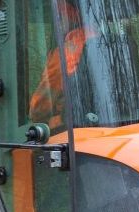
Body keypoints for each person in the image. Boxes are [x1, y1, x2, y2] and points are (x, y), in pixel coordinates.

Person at [29, 0, 100, 128]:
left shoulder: (65, 52)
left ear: (68, 18)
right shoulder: (105, 44)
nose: (59, 25)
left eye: (60, 18)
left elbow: (38, 109)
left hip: (71, 128)